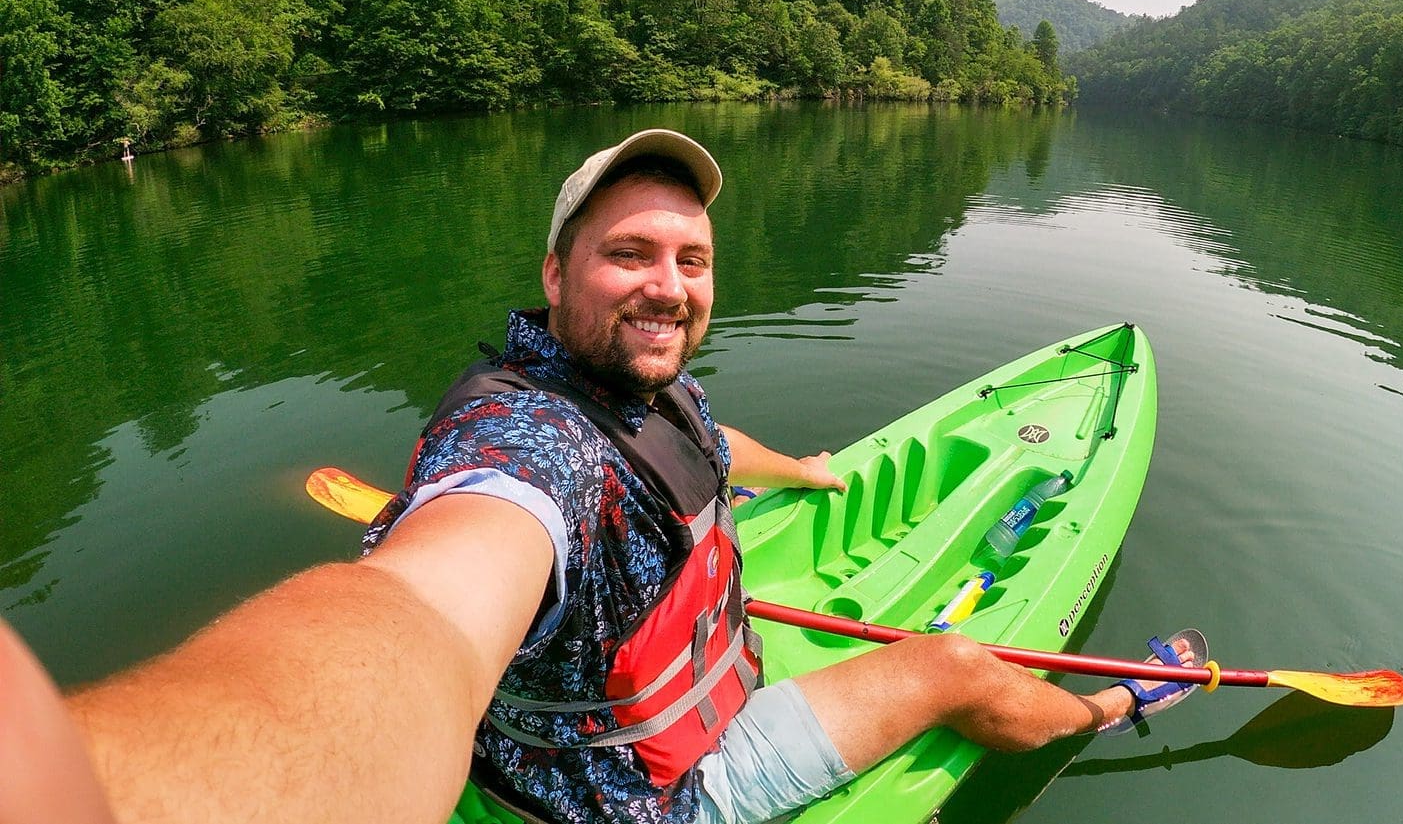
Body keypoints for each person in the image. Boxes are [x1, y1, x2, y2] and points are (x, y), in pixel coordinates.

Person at [46, 129, 1199, 824]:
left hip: (623, 709)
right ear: (556, 273)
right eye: (628, 252)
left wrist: (807, 471)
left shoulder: (639, 389)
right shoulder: (523, 450)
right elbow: (415, 614)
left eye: (690, 259)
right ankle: (1116, 701)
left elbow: (699, 434)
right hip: (643, 798)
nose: (668, 284)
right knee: (951, 665)